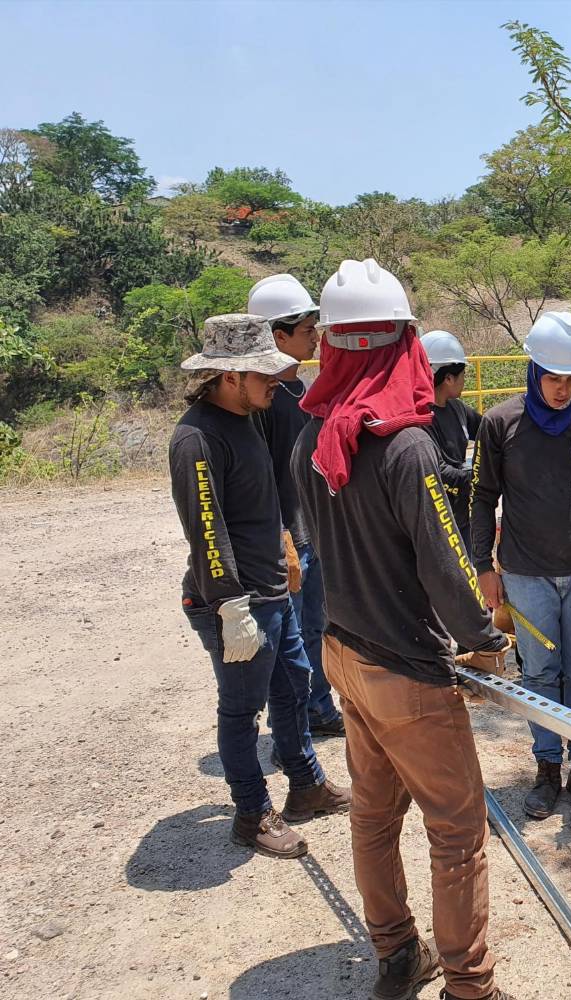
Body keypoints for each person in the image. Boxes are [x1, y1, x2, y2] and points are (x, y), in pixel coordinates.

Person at [292, 259, 515, 1000]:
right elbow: (446, 565)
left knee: (374, 815)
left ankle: (395, 955)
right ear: (404, 343)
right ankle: (469, 985)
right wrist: (485, 639)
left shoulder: (313, 437)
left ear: (332, 345)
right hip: (406, 673)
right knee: (456, 832)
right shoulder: (407, 446)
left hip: (344, 652)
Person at [168, 314, 350, 859]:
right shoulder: (197, 438)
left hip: (273, 592)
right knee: (242, 710)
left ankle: (306, 784)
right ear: (229, 376)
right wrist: (229, 605)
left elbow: (263, 499)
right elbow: (207, 529)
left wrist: (286, 548)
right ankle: (251, 813)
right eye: (263, 374)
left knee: (294, 687)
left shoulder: (248, 417)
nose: (275, 382)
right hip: (236, 601)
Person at [471, 311, 571, 821]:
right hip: (526, 574)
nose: (564, 390)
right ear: (535, 371)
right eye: (555, 378)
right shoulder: (500, 423)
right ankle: (547, 768)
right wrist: (483, 566)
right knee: (539, 673)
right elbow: (482, 497)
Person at [247, 273, 344, 739]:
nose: (316, 339)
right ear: (277, 336)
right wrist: (282, 538)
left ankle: (319, 708)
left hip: (314, 532)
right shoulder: (261, 402)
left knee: (318, 627)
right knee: (292, 635)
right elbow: (260, 478)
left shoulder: (302, 392)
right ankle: (295, 719)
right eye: (307, 330)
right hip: (289, 539)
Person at [420, 329, 481, 533]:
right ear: (448, 378)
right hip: (438, 519)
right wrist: (480, 478)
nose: (464, 380)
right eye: (463, 375)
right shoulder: (421, 417)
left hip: (460, 512)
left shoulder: (457, 408)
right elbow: (437, 469)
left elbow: (488, 431)